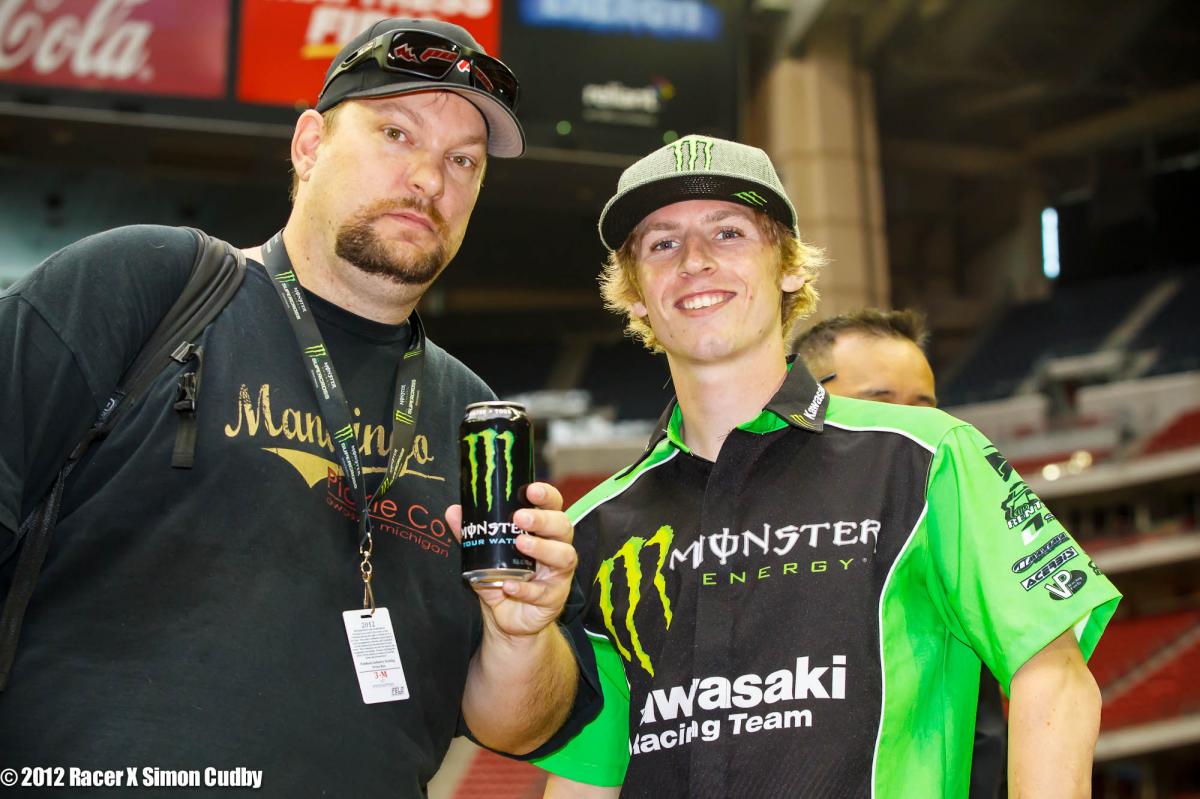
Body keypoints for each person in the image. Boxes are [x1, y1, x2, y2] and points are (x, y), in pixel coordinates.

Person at [0, 18, 597, 797]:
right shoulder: (144, 287)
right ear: (309, 144)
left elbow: (513, 726)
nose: (428, 178)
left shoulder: (473, 422)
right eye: (394, 132)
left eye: (463, 161)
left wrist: (523, 630)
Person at [535, 134, 1120, 797]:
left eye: (728, 233)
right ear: (636, 292)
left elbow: (1054, 672)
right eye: (662, 244)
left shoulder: (927, 457)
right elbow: (589, 777)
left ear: (788, 267)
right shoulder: (588, 528)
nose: (695, 260)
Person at [795, 308, 1007, 799]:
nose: (910, 426)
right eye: (881, 404)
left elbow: (981, 735)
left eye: (924, 407)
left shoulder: (945, 531)